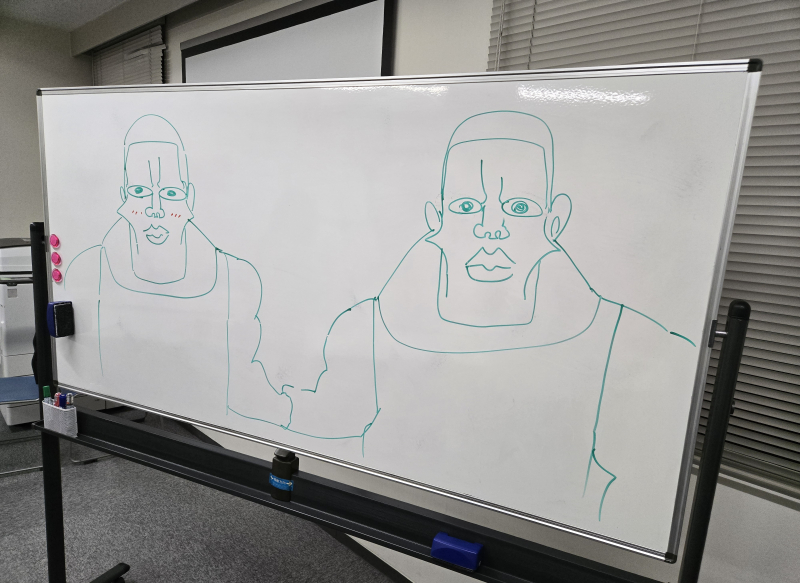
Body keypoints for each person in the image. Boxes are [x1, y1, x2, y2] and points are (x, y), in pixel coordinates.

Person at [237, 111, 697, 529]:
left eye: (518, 208)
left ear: (554, 220)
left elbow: (640, 489)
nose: (489, 228)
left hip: (546, 542)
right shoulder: (373, 326)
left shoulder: (622, 342)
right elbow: (327, 420)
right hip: (390, 519)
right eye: (466, 206)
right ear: (435, 217)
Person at [63, 115, 291, 425]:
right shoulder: (89, 271)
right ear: (123, 195)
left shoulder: (235, 278)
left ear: (190, 197)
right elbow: (80, 368)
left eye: (170, 193)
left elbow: (244, 379)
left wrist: (286, 411)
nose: (155, 209)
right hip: (115, 432)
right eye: (140, 191)